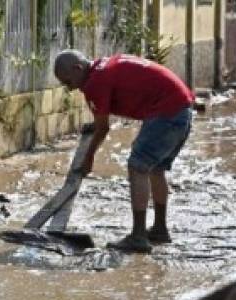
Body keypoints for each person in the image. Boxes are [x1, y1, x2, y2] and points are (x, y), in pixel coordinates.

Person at [53, 50, 194, 253]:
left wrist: (88, 157)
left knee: (137, 167)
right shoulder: (103, 66)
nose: (69, 88)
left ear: (78, 68)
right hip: (182, 108)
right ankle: (160, 229)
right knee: (155, 169)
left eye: (68, 82)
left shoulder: (95, 82)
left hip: (167, 111)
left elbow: (102, 127)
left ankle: (138, 237)